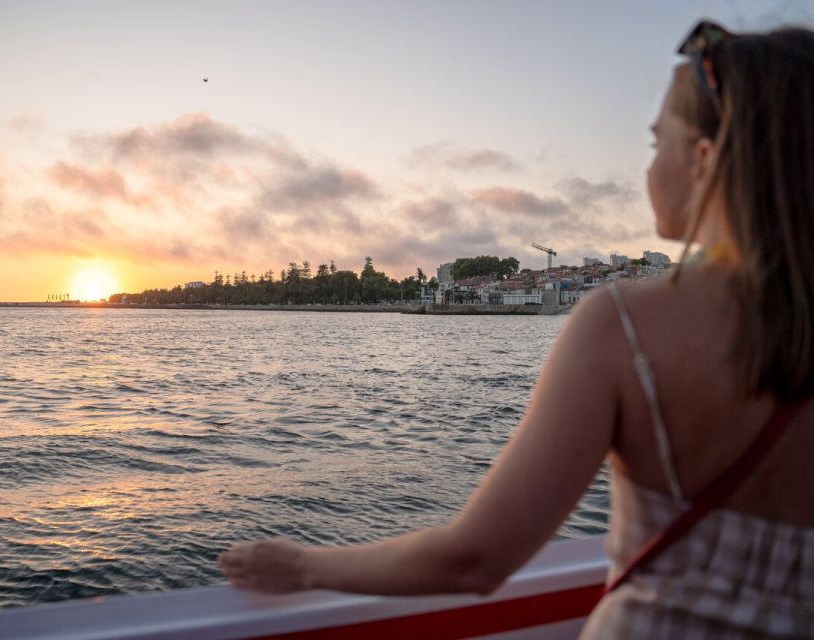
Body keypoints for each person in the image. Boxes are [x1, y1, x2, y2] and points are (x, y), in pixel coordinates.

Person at [220, 20, 814, 637]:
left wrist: (303, 564)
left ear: (703, 161)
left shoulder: (625, 326)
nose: (647, 169)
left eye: (654, 143)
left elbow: (474, 560)